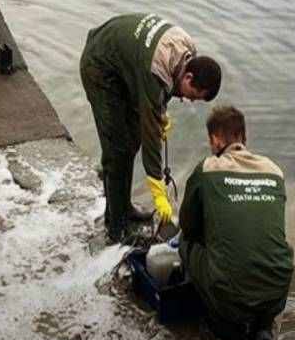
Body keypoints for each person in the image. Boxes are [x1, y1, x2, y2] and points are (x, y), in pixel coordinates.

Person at [79, 13, 221, 243]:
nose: (190, 101)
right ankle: (115, 228)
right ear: (189, 76)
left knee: (132, 141)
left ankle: (124, 207)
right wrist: (157, 190)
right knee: (117, 150)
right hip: (100, 67)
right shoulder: (158, 69)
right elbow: (151, 135)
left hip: (128, 65)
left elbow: (157, 95)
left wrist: (160, 114)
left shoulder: (187, 50)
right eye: (193, 95)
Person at [178, 106, 294, 340]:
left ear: (215, 140)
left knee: (185, 243)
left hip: (229, 295)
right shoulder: (274, 171)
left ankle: (229, 330)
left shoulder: (208, 168)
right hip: (278, 290)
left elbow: (188, 226)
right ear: (244, 138)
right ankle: (263, 325)